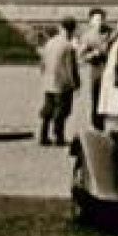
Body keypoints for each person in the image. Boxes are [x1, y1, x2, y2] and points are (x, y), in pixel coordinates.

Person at [38, 16, 80, 146]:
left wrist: (45, 76)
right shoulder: (68, 46)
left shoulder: (50, 43)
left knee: (47, 109)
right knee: (62, 110)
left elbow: (42, 63)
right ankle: (58, 136)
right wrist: (75, 83)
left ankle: (43, 135)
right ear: (72, 30)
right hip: (63, 83)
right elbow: (70, 67)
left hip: (48, 81)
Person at [77, 8, 114, 128]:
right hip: (96, 71)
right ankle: (97, 126)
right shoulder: (87, 36)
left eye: (102, 19)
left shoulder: (112, 33)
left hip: (111, 70)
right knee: (97, 99)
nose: (100, 21)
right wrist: (92, 55)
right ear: (91, 21)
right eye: (97, 19)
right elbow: (81, 55)